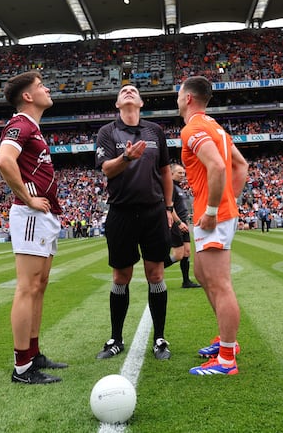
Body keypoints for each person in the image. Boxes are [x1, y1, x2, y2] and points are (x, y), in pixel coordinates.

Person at [0, 71, 67, 385]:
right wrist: (27, 197)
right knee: (27, 287)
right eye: (40, 86)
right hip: (30, 214)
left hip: (43, 216)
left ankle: (34, 353)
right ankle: (22, 367)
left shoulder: (31, 127)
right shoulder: (20, 124)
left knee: (39, 285)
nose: (46, 89)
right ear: (27, 96)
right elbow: (3, 160)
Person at [95, 84, 174, 361]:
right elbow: (106, 169)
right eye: (123, 91)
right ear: (117, 104)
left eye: (133, 90)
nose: (128, 91)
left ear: (141, 102)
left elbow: (165, 171)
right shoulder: (107, 132)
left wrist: (169, 207)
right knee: (120, 277)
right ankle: (116, 338)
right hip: (121, 212)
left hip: (153, 212)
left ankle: (160, 338)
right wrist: (126, 157)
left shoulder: (155, 131)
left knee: (156, 275)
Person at [177, 76, 248, 376]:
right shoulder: (215, 127)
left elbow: (219, 166)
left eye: (179, 93)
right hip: (219, 212)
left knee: (219, 283)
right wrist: (227, 202)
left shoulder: (193, 128)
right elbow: (240, 166)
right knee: (202, 274)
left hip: (212, 214)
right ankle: (224, 340)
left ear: (188, 98)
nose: (177, 97)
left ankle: (227, 359)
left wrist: (213, 208)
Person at [165, 162, 201, 289]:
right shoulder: (170, 187)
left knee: (187, 252)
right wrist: (178, 222)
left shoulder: (179, 188)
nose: (182, 175)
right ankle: (157, 268)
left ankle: (186, 282)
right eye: (179, 173)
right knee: (178, 255)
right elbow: (169, 206)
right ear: (171, 173)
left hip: (183, 223)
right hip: (176, 224)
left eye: (183, 173)